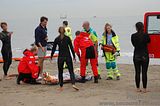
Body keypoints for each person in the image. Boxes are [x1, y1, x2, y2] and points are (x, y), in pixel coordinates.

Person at [51, 27, 79, 91]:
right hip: (68, 56)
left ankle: (61, 86)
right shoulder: (67, 38)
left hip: (61, 57)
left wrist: (51, 56)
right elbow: (71, 47)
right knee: (71, 71)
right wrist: (74, 56)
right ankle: (73, 84)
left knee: (60, 72)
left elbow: (54, 48)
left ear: (58, 31)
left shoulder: (57, 39)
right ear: (64, 31)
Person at [131, 22, 150, 93]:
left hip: (136, 55)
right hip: (145, 55)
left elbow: (134, 44)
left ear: (136, 28)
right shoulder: (146, 35)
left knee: (137, 72)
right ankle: (144, 89)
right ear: (143, 27)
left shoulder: (133, 36)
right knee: (144, 73)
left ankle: (138, 88)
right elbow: (149, 41)